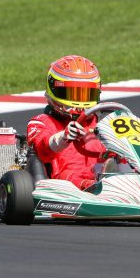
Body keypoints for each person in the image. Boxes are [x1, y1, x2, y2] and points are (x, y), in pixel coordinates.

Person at [27, 55, 105, 190]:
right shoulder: (41, 122)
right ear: (56, 90)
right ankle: (95, 187)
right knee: (71, 176)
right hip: (65, 183)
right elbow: (43, 148)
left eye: (86, 94)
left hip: (102, 172)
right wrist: (63, 137)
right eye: (74, 94)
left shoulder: (101, 122)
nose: (80, 102)